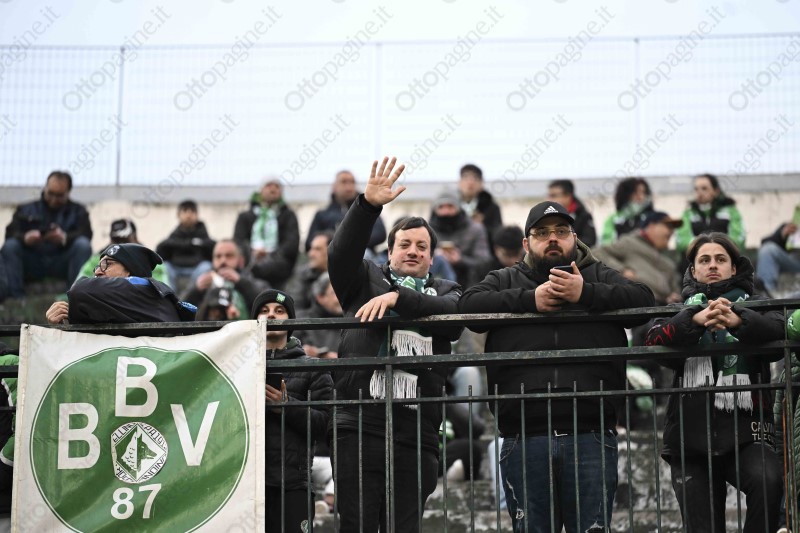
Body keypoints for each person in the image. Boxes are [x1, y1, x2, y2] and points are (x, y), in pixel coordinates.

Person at [458, 200, 655, 533]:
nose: (552, 238)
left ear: (575, 239)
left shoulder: (597, 274)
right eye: (542, 233)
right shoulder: (506, 278)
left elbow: (644, 300)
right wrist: (529, 300)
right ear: (526, 244)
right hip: (523, 435)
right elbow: (468, 306)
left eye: (561, 231)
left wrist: (585, 293)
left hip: (591, 433)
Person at [327, 157, 463, 532]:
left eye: (422, 246)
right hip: (358, 425)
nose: (413, 251)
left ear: (431, 258)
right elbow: (340, 254)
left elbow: (454, 318)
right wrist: (367, 207)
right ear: (389, 253)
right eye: (404, 244)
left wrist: (398, 299)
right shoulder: (363, 280)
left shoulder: (448, 290)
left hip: (417, 433)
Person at [644, 232, 784, 533]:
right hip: (689, 440)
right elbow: (653, 340)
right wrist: (694, 320)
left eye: (720, 259)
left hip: (747, 433)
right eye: (704, 260)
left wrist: (739, 320)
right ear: (693, 270)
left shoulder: (757, 304)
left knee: (769, 481)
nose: (712, 265)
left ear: (734, 268)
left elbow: (780, 330)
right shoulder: (678, 309)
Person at [252, 289, 333, 532]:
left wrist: (286, 407)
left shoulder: (313, 368)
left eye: (279, 311)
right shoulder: (240, 365)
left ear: (291, 320)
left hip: (293, 483)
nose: (271, 316)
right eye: (264, 311)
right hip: (248, 485)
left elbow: (325, 424)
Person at [45, 243, 196, 324]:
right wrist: (63, 319)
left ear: (130, 270)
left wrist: (74, 310)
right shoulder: (122, 302)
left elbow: (79, 290)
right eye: (98, 266)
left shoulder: (142, 288)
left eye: (108, 264)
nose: (98, 272)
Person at [1, 171, 92, 297]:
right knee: (10, 246)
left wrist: (64, 238)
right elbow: (10, 233)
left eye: (59, 196)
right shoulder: (25, 209)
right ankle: (16, 298)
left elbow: (86, 234)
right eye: (50, 193)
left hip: (61, 261)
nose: (54, 199)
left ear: (68, 192)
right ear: (45, 188)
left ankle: (75, 296)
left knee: (83, 245)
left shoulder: (78, 212)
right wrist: (25, 238)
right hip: (33, 261)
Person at [593, 211, 684, 305]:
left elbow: (676, 290)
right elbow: (597, 253)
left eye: (673, 229)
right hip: (637, 305)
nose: (671, 231)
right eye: (668, 226)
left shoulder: (669, 261)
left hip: (662, 308)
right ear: (652, 226)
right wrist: (622, 270)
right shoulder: (630, 243)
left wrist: (674, 296)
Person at [233, 178, 299, 290]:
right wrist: (252, 253)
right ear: (260, 191)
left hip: (278, 264)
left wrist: (270, 254)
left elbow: (292, 243)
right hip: (250, 260)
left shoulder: (288, 216)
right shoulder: (245, 217)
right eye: (268, 185)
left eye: (277, 186)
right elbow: (238, 241)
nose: (273, 189)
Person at [305, 169, 387, 258]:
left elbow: (380, 233)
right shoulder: (322, 215)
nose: (349, 187)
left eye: (352, 182)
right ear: (334, 186)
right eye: (344, 182)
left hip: (362, 256)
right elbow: (310, 242)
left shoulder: (367, 209)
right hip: (330, 257)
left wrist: (350, 243)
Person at [181, 239, 265, 319]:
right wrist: (195, 290)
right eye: (218, 256)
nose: (223, 260)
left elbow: (265, 305)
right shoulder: (202, 284)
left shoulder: (254, 282)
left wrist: (242, 282)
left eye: (229, 256)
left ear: (241, 261)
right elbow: (180, 310)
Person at [76, 218, 169, 286]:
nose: (121, 246)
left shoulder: (150, 262)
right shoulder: (96, 260)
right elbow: (78, 285)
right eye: (117, 241)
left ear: (135, 238)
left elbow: (161, 290)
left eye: (125, 241)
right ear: (110, 240)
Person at [429, 191, 491, 289]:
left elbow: (485, 263)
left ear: (458, 208)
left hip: (469, 285)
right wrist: (435, 257)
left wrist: (460, 260)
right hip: (433, 286)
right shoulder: (427, 231)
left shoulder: (476, 230)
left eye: (450, 206)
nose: (446, 211)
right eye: (441, 207)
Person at [675, 174, 746, 257]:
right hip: (693, 261)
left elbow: (739, 239)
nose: (699, 193)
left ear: (716, 191)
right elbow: (681, 242)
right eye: (696, 189)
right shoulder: (688, 213)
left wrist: (714, 248)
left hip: (724, 260)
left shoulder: (730, 211)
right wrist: (708, 246)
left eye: (704, 188)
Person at [156, 200, 215, 291]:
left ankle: (191, 295)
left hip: (197, 268)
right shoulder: (174, 237)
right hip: (176, 268)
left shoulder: (204, 237)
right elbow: (160, 251)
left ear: (197, 215)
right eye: (185, 211)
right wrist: (190, 243)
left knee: (206, 266)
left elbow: (213, 250)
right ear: (178, 215)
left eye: (192, 211)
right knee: (165, 266)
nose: (188, 215)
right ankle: (171, 297)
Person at [295, 273, 342, 359]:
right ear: (320, 297)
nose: (341, 297)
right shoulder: (301, 321)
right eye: (335, 293)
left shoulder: (353, 319)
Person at [757, 210, 800, 296]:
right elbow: (765, 242)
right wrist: (782, 234)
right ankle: (766, 294)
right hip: (793, 260)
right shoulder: (792, 227)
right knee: (768, 250)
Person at [287, 231, 333, 311]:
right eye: (311, 249)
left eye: (317, 249)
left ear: (331, 251)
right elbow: (295, 309)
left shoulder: (346, 274)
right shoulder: (303, 275)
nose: (311, 254)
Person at [600, 177, 654, 245]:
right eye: (636, 193)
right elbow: (606, 243)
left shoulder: (652, 218)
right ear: (626, 195)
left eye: (643, 192)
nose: (641, 197)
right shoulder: (613, 219)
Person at [459, 163, 503, 243]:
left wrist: (482, 225)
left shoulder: (492, 208)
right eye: (466, 178)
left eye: (475, 178)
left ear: (481, 183)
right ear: (460, 182)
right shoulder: (449, 207)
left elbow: (498, 236)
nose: (470, 182)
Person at [547, 179, 597, 247]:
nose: (549, 199)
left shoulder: (583, 216)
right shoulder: (546, 216)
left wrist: (564, 244)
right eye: (549, 195)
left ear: (567, 196)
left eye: (553, 195)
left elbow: (590, 241)